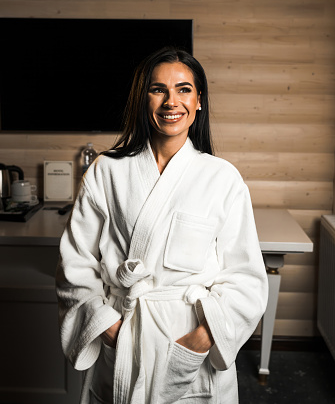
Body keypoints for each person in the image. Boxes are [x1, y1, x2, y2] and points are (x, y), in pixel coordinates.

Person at [56, 46, 268, 404]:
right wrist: (108, 327)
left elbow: (246, 278)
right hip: (125, 335)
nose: (172, 101)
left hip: (190, 346)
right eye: (159, 90)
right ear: (143, 99)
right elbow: (75, 263)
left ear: (199, 101)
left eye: (184, 89)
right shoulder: (106, 171)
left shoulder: (222, 179)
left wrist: (201, 339)